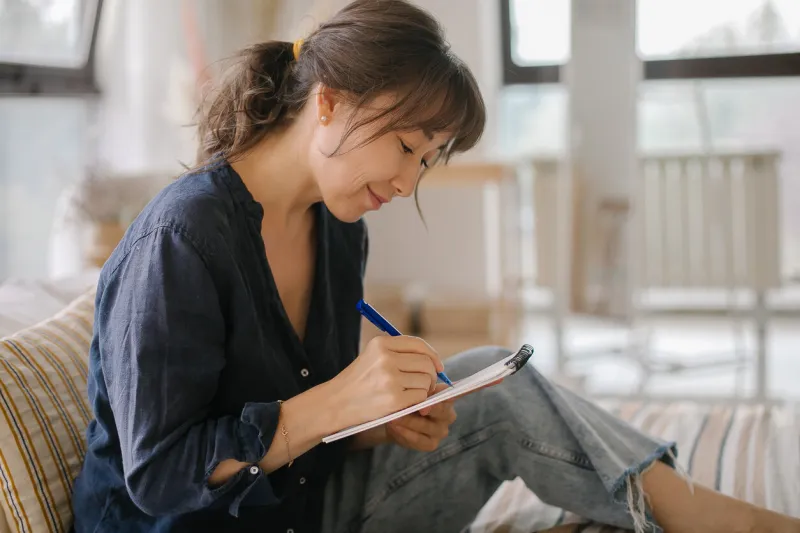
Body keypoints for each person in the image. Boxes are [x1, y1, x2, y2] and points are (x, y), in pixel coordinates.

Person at [70, 1, 799, 532]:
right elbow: (161, 474)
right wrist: (338, 405)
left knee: (497, 383)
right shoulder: (183, 237)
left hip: (300, 509)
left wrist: (373, 425)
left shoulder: (337, 228)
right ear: (328, 103)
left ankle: (718, 518)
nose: (409, 183)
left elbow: (288, 417)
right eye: (409, 148)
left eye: (427, 160)